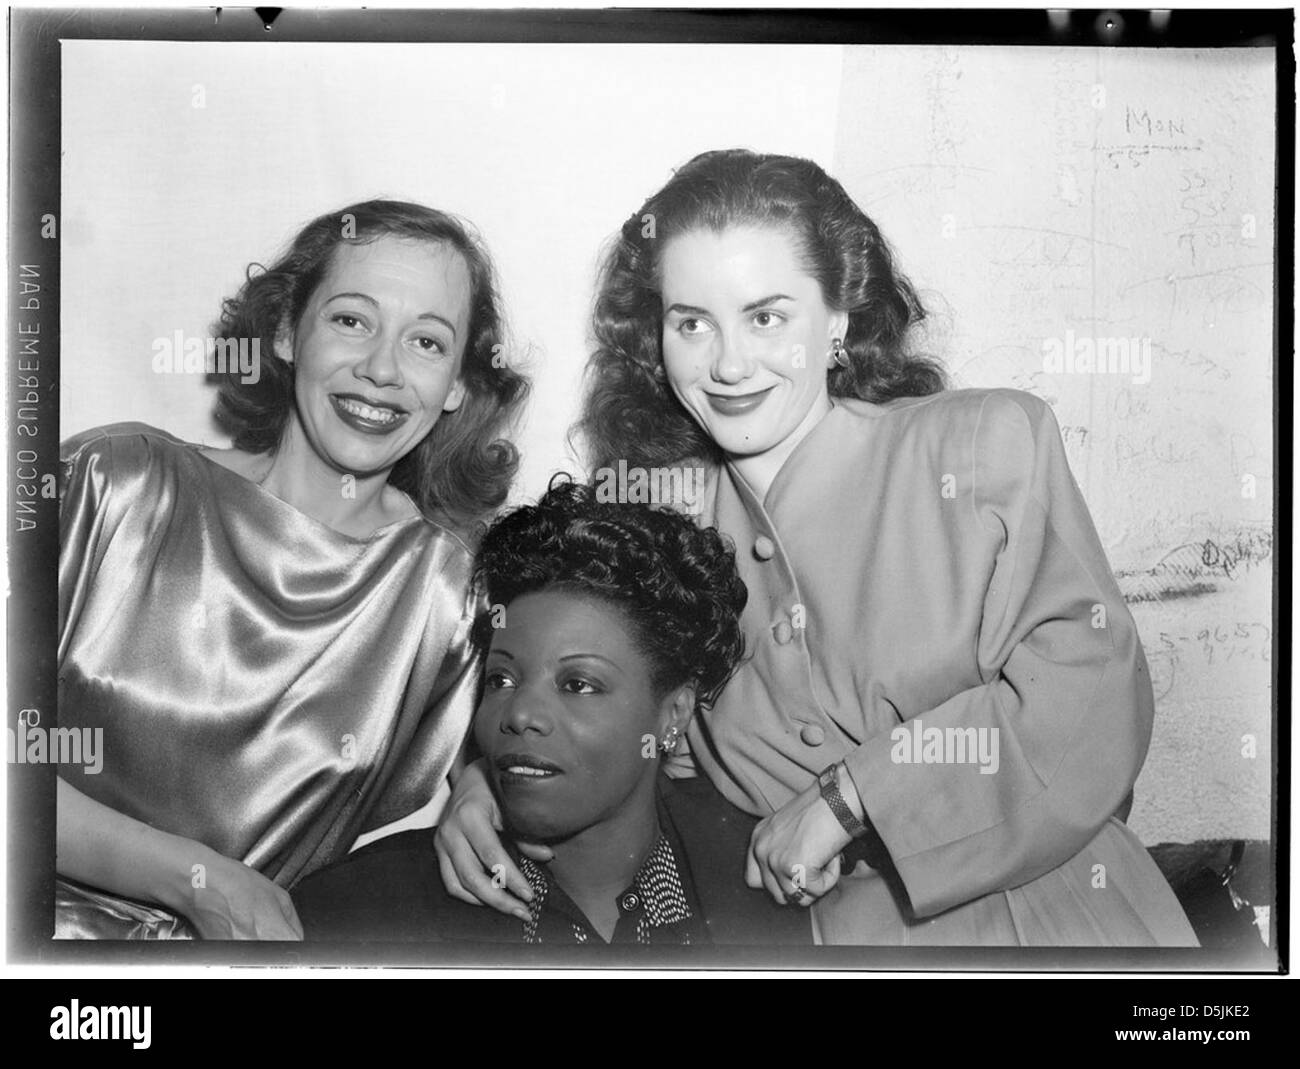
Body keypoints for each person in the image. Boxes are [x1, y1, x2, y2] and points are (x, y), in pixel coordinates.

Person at [436, 150, 1198, 947]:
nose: (728, 364)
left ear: (837, 318)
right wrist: (487, 784)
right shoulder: (650, 521)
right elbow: (617, 730)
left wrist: (851, 798)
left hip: (1059, 924)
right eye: (691, 323)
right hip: (820, 950)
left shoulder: (981, 447)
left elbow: (1090, 697)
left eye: (767, 317)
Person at [57, 199, 528, 939]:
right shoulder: (115, 483)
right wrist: (194, 881)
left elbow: (505, 744)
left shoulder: (450, 590)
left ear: (459, 387)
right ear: (284, 331)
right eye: (351, 320)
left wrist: (477, 787)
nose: (381, 369)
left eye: (427, 342)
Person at [292, 481, 811, 946]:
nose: (520, 713)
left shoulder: (763, 884)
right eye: (501, 679)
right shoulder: (360, 915)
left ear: (671, 713)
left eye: (578, 684)